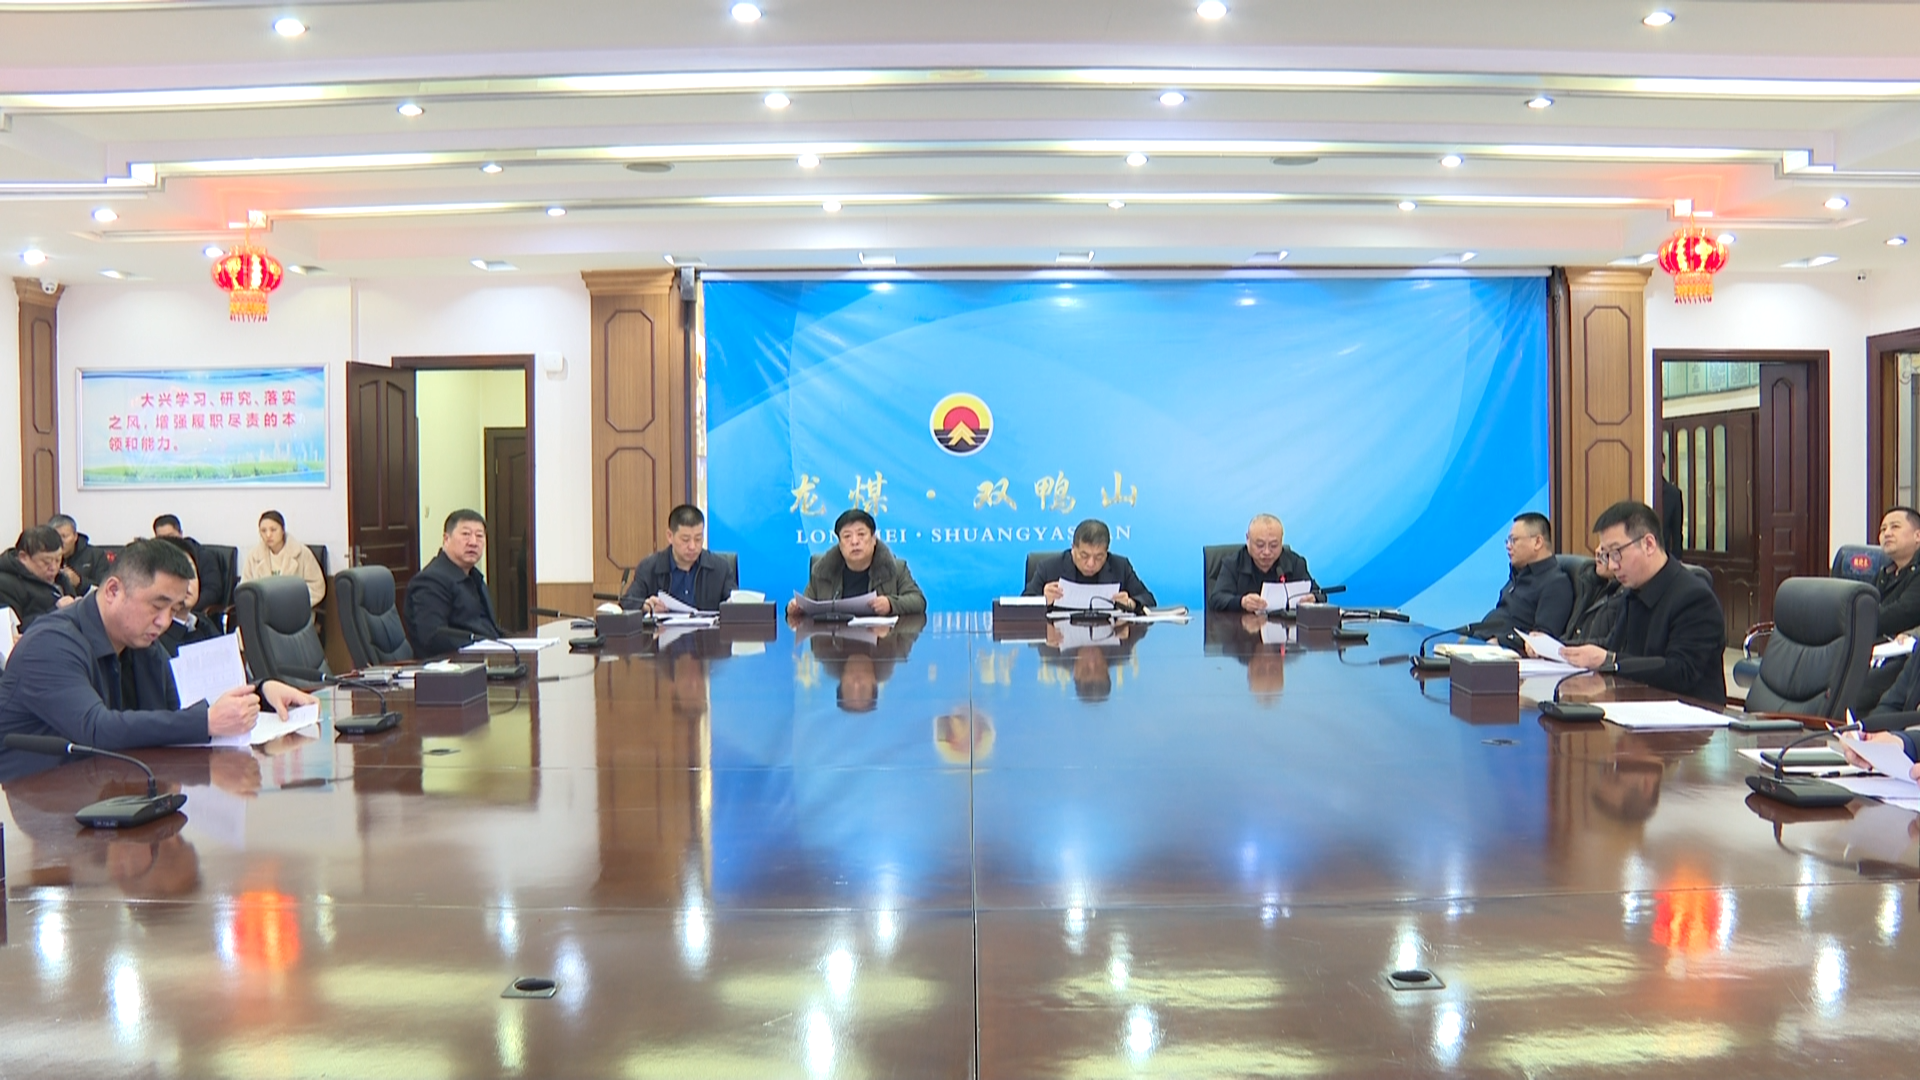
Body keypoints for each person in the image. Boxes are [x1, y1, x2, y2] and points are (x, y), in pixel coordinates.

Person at [0, 539, 313, 782]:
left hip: (115, 793)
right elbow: (97, 729)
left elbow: (183, 703)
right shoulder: (50, 644)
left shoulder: (140, 642)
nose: (164, 622)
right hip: (36, 806)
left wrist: (260, 693)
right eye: (157, 606)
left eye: (173, 609)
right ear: (113, 591)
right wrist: (206, 722)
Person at [1561, 500, 1727, 704]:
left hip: (1689, 714)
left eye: (1616, 553)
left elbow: (1681, 671)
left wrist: (1611, 661)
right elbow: (1613, 645)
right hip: (1636, 703)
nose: (1612, 566)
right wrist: (1560, 649)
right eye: (1606, 555)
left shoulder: (1694, 598)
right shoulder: (1632, 591)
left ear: (1648, 544)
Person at [1849, 507, 1920, 718]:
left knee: (1855, 695)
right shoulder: (1886, 572)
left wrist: (1860, 620)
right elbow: (1867, 607)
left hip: (1904, 656)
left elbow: (1903, 613)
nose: (1887, 533)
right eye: (1883, 529)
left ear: (1918, 536)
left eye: (1895, 527)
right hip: (1873, 649)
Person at [789, 509, 926, 617]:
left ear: (874, 539)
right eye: (847, 536)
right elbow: (807, 605)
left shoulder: (895, 568)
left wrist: (891, 604)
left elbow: (918, 601)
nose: (854, 542)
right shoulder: (822, 570)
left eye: (861, 534)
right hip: (834, 641)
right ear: (840, 544)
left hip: (882, 641)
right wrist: (796, 608)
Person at [406, 509, 506, 657]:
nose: (473, 542)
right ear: (446, 539)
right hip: (451, 665)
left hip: (483, 658)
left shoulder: (474, 577)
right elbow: (432, 636)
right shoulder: (431, 581)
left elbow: (487, 627)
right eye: (465, 534)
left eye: (479, 536)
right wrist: (481, 642)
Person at [620, 504, 739, 613]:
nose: (692, 546)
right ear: (670, 536)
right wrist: (646, 607)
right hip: (662, 630)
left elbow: (736, 605)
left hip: (707, 630)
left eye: (698, 539)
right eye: (685, 540)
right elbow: (627, 604)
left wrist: (733, 605)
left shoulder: (720, 568)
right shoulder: (649, 567)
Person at [1023, 518, 1156, 612]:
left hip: (1108, 639)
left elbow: (1149, 600)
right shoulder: (1049, 568)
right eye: (1084, 556)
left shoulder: (1120, 566)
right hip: (1061, 640)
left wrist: (1130, 603)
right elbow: (1021, 607)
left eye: (1099, 557)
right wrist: (1043, 601)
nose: (1091, 564)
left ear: (1106, 552)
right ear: (1073, 548)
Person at [1477, 512, 1573, 639]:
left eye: (1514, 540)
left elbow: (1542, 639)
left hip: (1502, 647)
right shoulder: (1518, 575)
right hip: (1482, 637)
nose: (1508, 546)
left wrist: (1499, 641)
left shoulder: (1556, 584)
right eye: (1507, 541)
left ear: (1537, 542)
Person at [1206, 513, 1320, 612]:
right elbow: (1216, 599)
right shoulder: (1233, 564)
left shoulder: (1295, 563)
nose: (1266, 552)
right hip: (1242, 628)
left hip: (1284, 628)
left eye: (1273, 545)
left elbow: (1318, 593)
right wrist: (1242, 602)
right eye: (1260, 545)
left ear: (1281, 541)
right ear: (1248, 539)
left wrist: (1313, 598)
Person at [0, 525, 81, 629]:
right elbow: (12, 628)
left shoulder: (61, 579)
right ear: (23, 557)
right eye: (46, 562)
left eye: (58, 560)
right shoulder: (5, 585)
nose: (54, 567)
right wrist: (56, 611)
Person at [241, 510, 326, 608]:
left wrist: (294, 603)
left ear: (282, 530)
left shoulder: (302, 553)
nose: (268, 535)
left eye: (273, 530)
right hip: (264, 611)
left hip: (295, 610)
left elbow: (317, 588)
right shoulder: (253, 556)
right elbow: (245, 589)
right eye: (263, 531)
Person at [154, 536, 219, 657]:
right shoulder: (154, 636)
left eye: (191, 573)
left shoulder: (203, 624)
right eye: (179, 574)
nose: (188, 583)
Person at [1565, 552, 1624, 645]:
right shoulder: (1590, 585)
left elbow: (1609, 644)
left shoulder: (1625, 596)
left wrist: (1563, 647)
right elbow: (1571, 634)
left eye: (1606, 550)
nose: (1598, 551)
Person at [48, 513, 111, 592]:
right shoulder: (46, 556)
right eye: (56, 537)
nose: (60, 541)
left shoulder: (96, 555)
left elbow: (104, 588)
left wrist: (79, 582)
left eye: (64, 536)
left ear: (75, 536)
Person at [1659, 454, 1686, 558]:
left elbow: (1677, 532)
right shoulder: (1639, 488)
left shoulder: (1673, 494)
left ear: (1663, 466)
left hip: (1663, 555)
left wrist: (1677, 559)